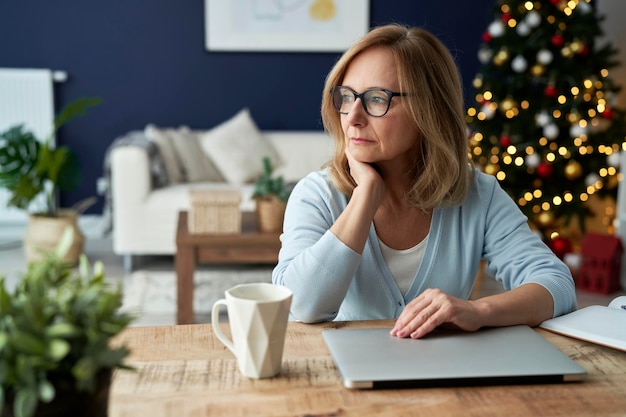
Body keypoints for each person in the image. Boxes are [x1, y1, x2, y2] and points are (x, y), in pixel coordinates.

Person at [271, 24, 577, 339]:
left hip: (444, 378)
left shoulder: (478, 195)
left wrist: (477, 311)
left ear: (429, 110)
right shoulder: (317, 195)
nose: (352, 116)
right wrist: (366, 197)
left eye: (377, 99)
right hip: (341, 379)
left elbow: (556, 285)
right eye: (346, 97)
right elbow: (300, 306)